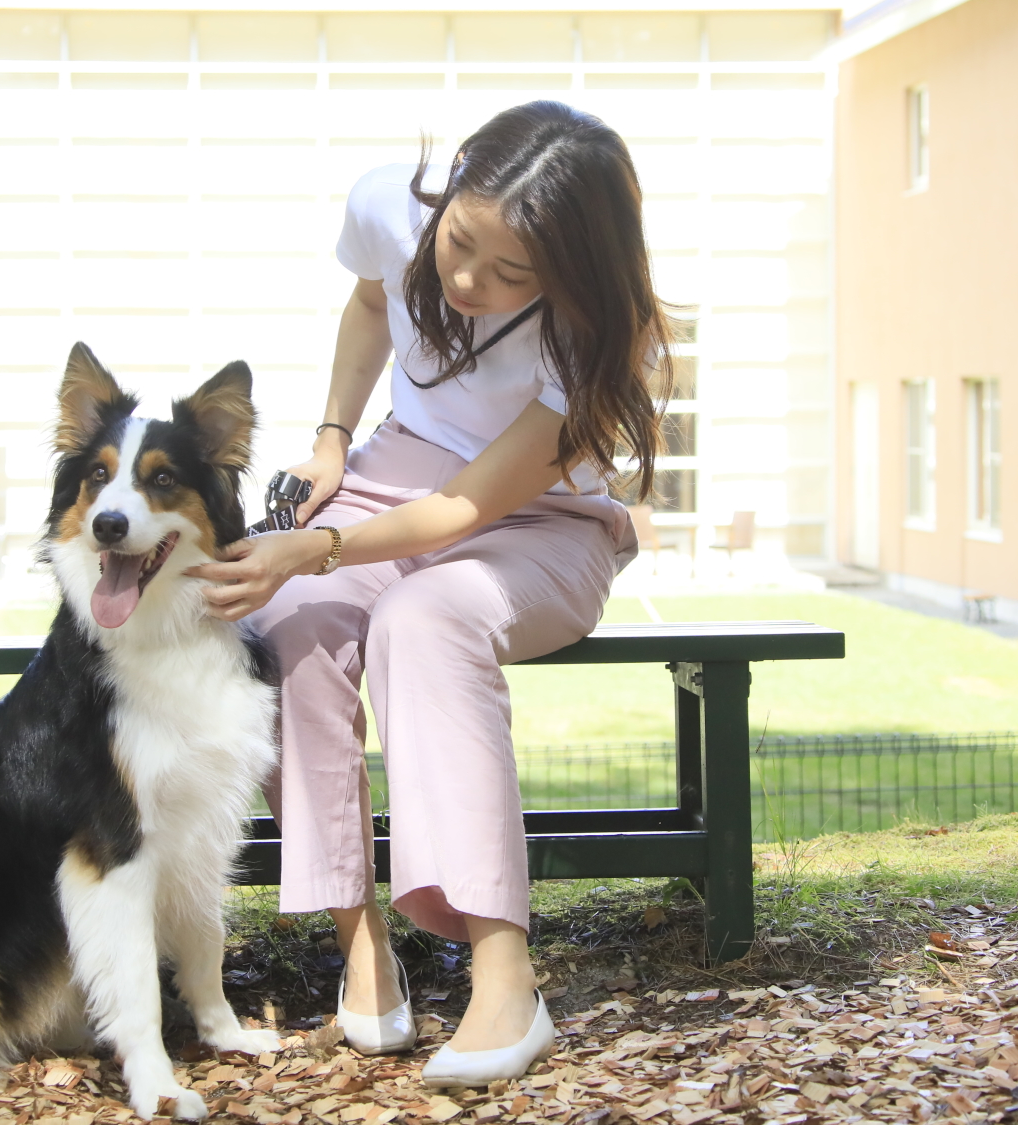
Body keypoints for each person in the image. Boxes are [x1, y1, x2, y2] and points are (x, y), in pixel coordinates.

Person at [186, 100, 675, 1087]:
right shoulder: (387, 205)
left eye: (509, 276)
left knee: (425, 616)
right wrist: (331, 438)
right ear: (447, 186)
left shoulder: (596, 340)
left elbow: (460, 513)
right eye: (459, 245)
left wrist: (317, 544)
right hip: (387, 479)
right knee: (287, 629)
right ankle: (359, 943)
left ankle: (505, 975)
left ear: (569, 272)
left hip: (539, 522)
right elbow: (372, 304)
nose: (464, 282)